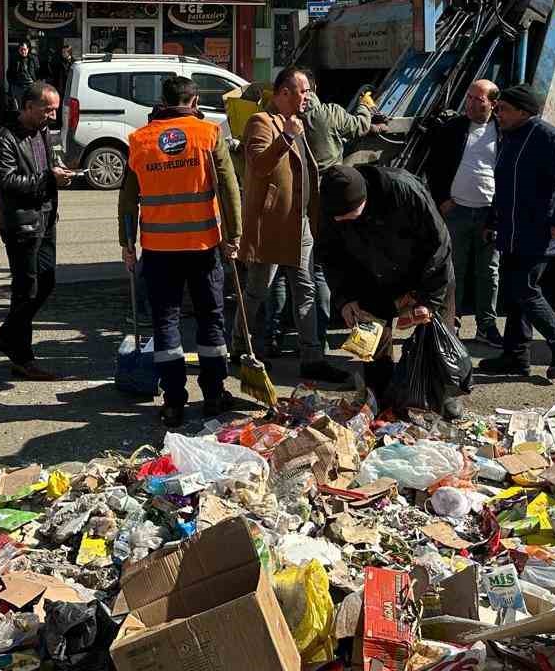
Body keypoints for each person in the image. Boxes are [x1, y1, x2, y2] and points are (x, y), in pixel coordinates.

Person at [117, 75, 244, 426]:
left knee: (166, 323)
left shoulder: (140, 140)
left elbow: (127, 200)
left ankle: (173, 401)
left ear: (163, 101)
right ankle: (215, 394)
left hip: (158, 249)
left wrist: (127, 244)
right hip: (203, 246)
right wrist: (235, 236)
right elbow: (229, 189)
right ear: (194, 100)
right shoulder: (208, 134)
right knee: (211, 318)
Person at [313, 163, 464, 420]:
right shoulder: (331, 206)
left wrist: (427, 299)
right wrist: (345, 298)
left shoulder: (404, 190)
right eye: (338, 217)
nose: (342, 221)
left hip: (426, 274)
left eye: (351, 214)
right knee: (373, 345)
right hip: (371, 278)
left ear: (366, 199)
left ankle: (444, 395)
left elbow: (439, 245)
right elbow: (330, 256)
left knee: (437, 337)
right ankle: (382, 400)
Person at [238, 66, 350, 386]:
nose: (308, 97)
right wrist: (285, 136)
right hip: (272, 224)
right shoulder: (262, 122)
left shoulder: (299, 123)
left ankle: (312, 357)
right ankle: (239, 347)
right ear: (283, 93)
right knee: (258, 290)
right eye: (303, 91)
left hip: (298, 224)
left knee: (306, 289)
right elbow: (258, 166)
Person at [477, 84, 555, 381]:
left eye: (503, 109)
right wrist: (492, 220)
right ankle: (515, 357)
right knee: (514, 295)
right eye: (497, 108)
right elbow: (504, 187)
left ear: (523, 112)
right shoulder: (509, 136)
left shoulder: (546, 137)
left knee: (524, 289)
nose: (496, 113)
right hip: (510, 232)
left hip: (536, 234)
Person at [0, 81, 74, 380]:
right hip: (21, 224)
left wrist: (58, 174)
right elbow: (8, 183)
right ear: (28, 107)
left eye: (54, 110)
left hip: (47, 219)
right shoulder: (4, 139)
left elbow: (46, 169)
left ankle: (6, 334)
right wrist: (49, 179)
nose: (52, 115)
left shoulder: (43, 132)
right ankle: (22, 358)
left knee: (47, 282)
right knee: (26, 291)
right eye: (47, 109)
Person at [426, 80, 504, 347]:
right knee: (453, 270)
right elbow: (433, 165)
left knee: (489, 272)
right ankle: (451, 323)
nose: (470, 104)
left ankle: (487, 326)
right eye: (469, 98)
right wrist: (442, 200)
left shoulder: (503, 131)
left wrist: (498, 212)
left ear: (493, 104)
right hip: (456, 211)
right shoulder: (453, 129)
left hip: (489, 214)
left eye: (477, 100)